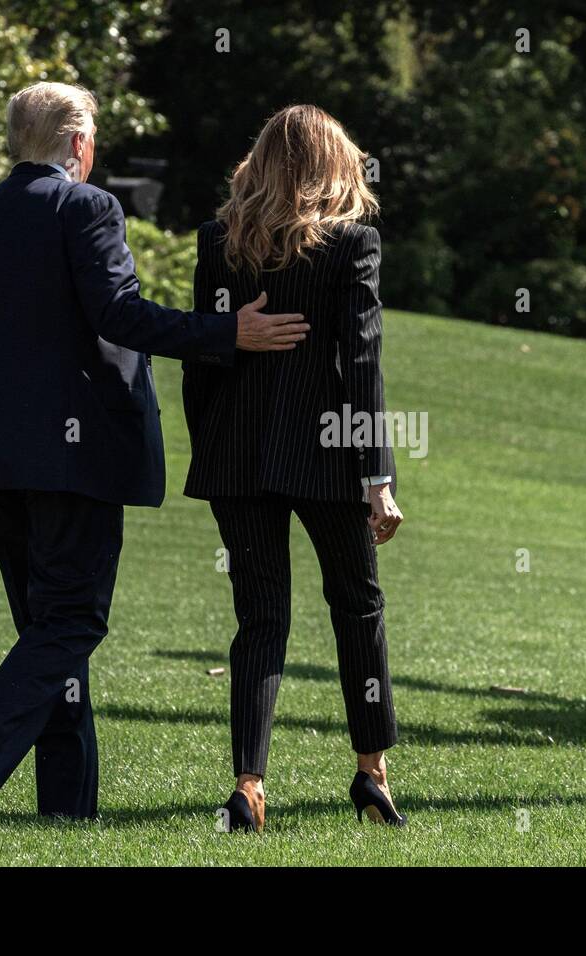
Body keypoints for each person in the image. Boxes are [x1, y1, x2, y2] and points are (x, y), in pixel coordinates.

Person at [0, 82, 308, 818]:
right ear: (78, 144)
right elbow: (119, 315)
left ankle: (66, 810)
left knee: (49, 634)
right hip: (74, 455)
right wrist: (228, 332)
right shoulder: (87, 207)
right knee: (72, 622)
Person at [183, 105, 405, 831]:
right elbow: (361, 365)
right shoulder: (353, 246)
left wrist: (211, 448)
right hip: (331, 455)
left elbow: (204, 360)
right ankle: (372, 770)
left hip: (237, 457)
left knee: (260, 619)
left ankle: (249, 786)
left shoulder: (220, 243)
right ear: (330, 165)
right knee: (358, 606)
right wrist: (379, 477)